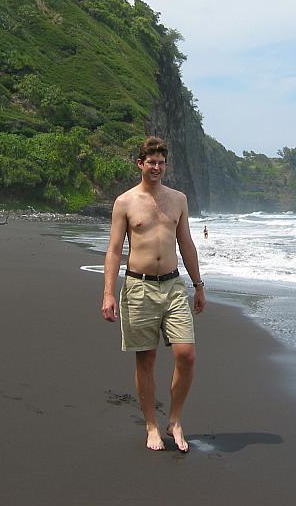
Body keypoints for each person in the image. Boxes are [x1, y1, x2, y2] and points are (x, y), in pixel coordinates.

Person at [101, 136, 206, 453]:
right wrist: (108, 293)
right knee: (145, 360)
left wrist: (198, 285)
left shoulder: (178, 200)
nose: (156, 167)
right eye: (151, 162)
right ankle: (151, 426)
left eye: (161, 162)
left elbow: (186, 243)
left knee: (186, 355)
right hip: (139, 287)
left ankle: (174, 420)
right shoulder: (125, 202)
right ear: (140, 164)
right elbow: (114, 250)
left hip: (173, 286)